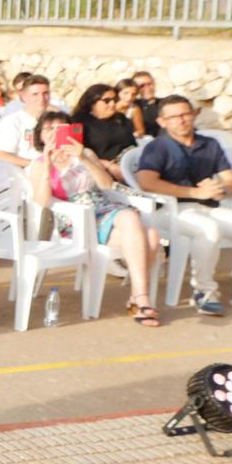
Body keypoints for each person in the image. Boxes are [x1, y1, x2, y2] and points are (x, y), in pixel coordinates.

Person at [136, 95, 232, 317]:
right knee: (208, 229)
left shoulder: (210, 144)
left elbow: (231, 179)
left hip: (208, 208)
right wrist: (194, 192)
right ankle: (204, 291)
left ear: (193, 115)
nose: (181, 120)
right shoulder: (157, 147)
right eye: (173, 117)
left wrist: (219, 187)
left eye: (184, 114)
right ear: (163, 122)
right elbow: (146, 182)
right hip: (169, 211)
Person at [27, 112, 162, 327]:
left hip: (104, 207)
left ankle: (138, 297)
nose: (54, 133)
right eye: (48, 129)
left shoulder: (85, 153)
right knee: (145, 231)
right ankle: (140, 298)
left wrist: (83, 158)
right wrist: (47, 166)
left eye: (60, 128)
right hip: (76, 221)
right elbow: (42, 202)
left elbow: (106, 184)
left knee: (144, 229)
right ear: (39, 136)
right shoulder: (38, 164)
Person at [72, 82, 138, 176]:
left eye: (115, 100)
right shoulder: (78, 122)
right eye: (107, 100)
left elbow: (133, 143)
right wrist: (107, 165)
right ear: (92, 102)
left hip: (134, 162)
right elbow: (77, 151)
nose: (112, 104)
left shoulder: (120, 118)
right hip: (107, 170)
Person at [0, 75, 54, 165]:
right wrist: (36, 165)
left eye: (45, 93)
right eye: (35, 94)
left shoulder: (55, 120)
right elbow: (1, 155)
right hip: (26, 172)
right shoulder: (13, 121)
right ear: (24, 96)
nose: (41, 98)